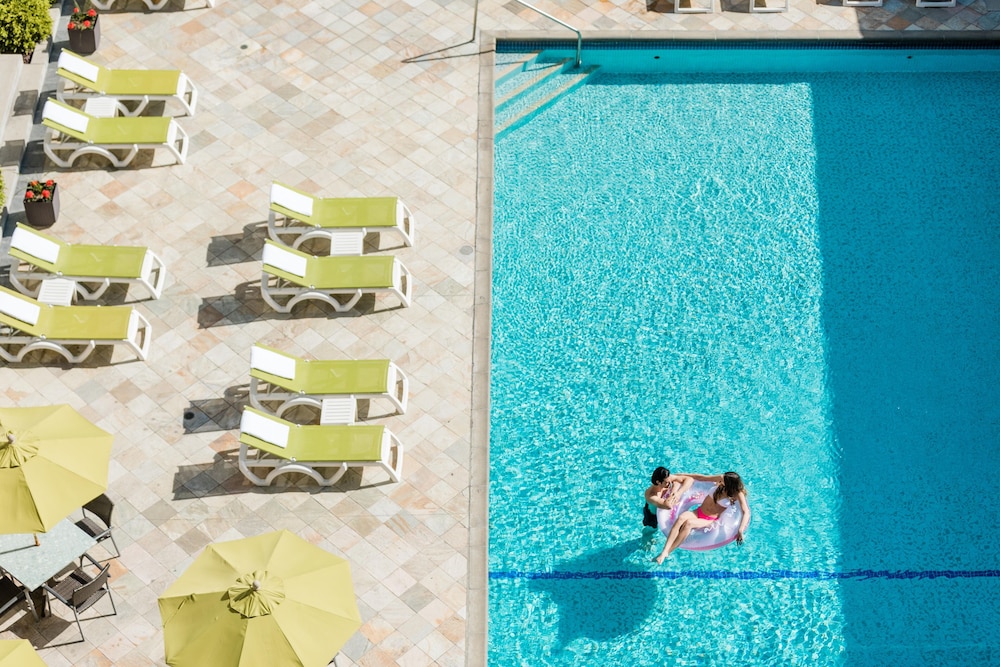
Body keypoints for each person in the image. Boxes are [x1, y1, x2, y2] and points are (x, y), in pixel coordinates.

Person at [653, 471, 750, 564]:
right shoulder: (721, 479)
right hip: (698, 511)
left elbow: (746, 512)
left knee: (689, 524)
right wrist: (677, 475)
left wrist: (740, 530)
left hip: (709, 519)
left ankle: (667, 553)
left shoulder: (737, 493)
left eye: (724, 479)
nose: (721, 479)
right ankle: (665, 550)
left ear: (729, 483)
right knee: (681, 517)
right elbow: (701, 477)